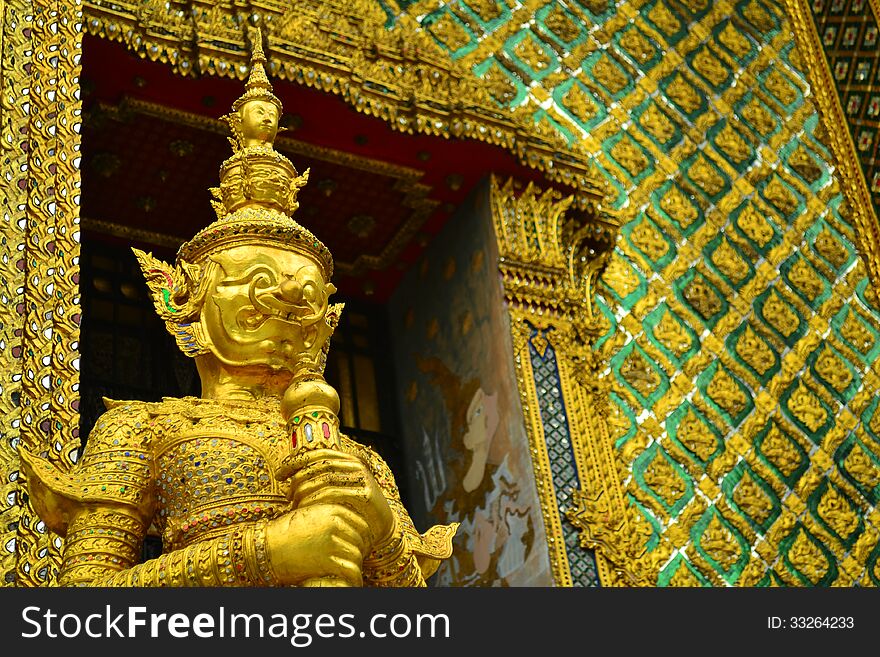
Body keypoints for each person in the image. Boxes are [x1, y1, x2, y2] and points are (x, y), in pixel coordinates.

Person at [20, 31, 456, 588]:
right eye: (259, 282)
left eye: (307, 293)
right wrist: (265, 553)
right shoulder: (142, 429)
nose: (289, 303)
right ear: (187, 301)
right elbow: (84, 608)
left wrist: (385, 532)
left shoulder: (358, 462)